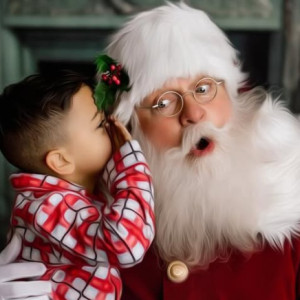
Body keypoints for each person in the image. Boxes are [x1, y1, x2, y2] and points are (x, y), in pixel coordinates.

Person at [1, 2, 300, 299]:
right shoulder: (83, 219)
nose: (194, 113)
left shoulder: (288, 201)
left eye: (205, 88)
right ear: (131, 126)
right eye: (165, 102)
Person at [0, 70, 155, 300]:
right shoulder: (46, 206)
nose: (115, 126)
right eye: (101, 124)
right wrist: (131, 165)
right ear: (61, 161)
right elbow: (125, 244)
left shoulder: (60, 196)